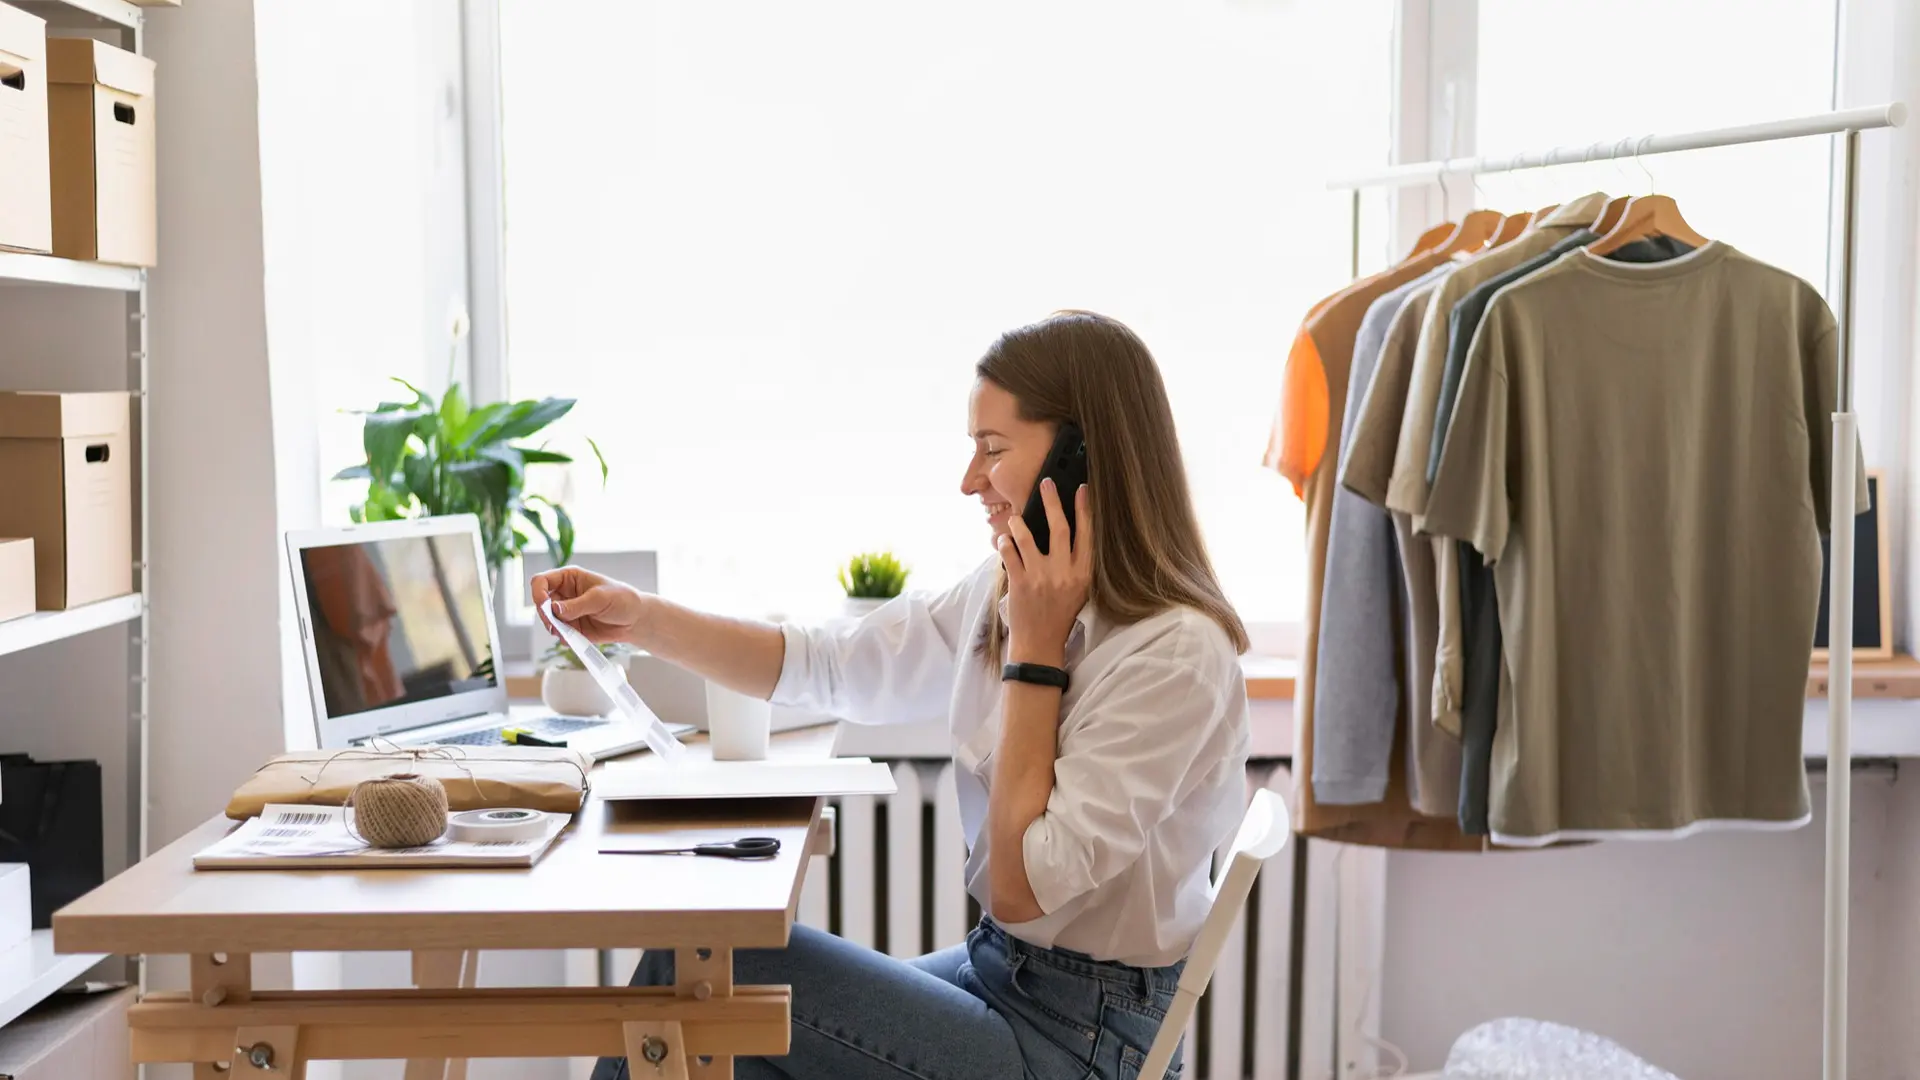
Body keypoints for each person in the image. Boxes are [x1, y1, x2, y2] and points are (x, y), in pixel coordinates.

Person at [535, 310, 1252, 1080]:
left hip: (1079, 1044)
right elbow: (834, 664)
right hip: (1004, 978)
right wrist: (641, 619)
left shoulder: (1173, 656)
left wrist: (1035, 659)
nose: (970, 480)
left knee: (697, 985)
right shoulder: (1007, 589)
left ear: (1079, 459)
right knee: (720, 1025)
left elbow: (1016, 890)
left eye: (992, 450)